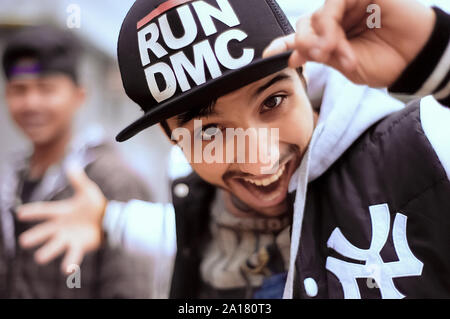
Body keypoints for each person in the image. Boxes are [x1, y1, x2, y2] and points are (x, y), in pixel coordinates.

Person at [16, 0, 450, 299]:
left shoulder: (418, 149)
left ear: (304, 78)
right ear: (173, 140)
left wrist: (439, 60)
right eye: (208, 132)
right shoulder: (207, 205)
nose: (260, 156)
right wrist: (111, 219)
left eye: (272, 102)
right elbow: (188, 235)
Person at [0, 25, 155, 298]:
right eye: (19, 90)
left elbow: (131, 290)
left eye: (46, 89)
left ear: (79, 96)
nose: (31, 103)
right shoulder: (9, 181)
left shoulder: (113, 181)